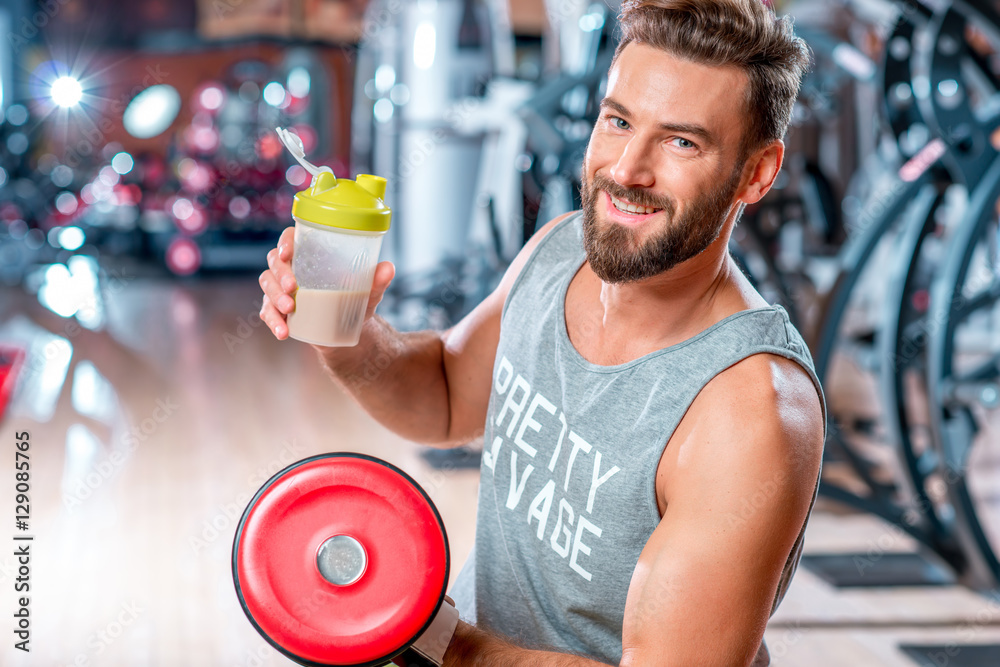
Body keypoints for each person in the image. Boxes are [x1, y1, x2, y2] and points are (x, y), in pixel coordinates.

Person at [258, 0, 824, 664]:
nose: (627, 169)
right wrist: (347, 335)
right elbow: (445, 394)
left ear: (756, 173)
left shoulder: (749, 413)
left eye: (680, 141)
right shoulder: (561, 252)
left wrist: (432, 636)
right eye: (617, 121)